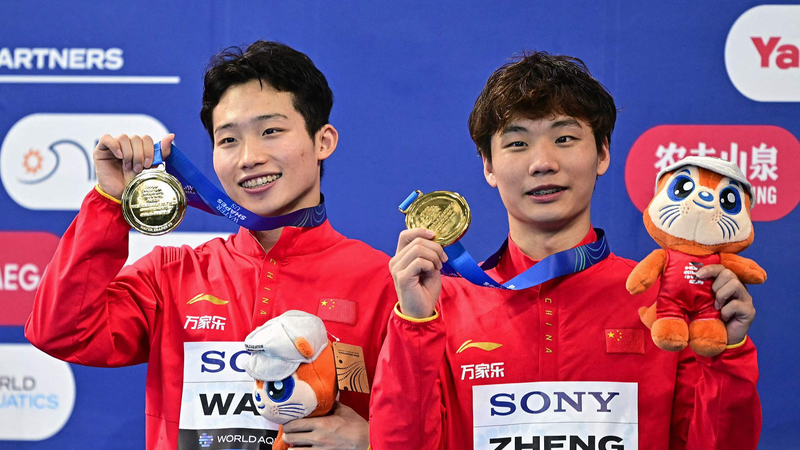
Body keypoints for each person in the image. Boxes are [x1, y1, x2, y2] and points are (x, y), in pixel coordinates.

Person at [370, 52, 761, 449]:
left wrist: (728, 353)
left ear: (602, 153)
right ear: (488, 166)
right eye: (518, 143)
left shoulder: (664, 301)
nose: (543, 163)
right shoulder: (441, 305)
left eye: (564, 139)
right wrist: (414, 326)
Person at [26, 40, 394, 450]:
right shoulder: (170, 275)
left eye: (271, 131)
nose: (249, 157)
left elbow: (435, 419)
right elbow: (62, 332)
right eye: (228, 140)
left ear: (323, 141)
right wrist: (109, 201)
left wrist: (375, 442)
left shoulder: (385, 283)